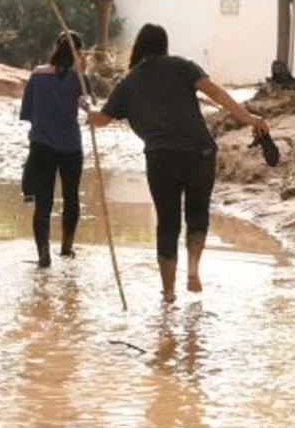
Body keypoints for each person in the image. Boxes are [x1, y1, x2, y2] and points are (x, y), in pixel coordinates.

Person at [87, 23, 269, 304]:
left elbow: (102, 120)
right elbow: (216, 93)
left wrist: (88, 110)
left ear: (139, 46)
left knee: (167, 224)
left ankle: (168, 292)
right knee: (197, 214)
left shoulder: (128, 82)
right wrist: (250, 119)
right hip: (200, 153)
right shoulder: (182, 66)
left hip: (161, 157)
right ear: (164, 44)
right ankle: (193, 270)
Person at [19, 32, 87, 268]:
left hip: (42, 146)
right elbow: (92, 106)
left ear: (55, 48)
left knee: (43, 203)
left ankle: (43, 256)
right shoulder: (79, 78)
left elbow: (27, 113)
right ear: (78, 53)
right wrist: (83, 71)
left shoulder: (37, 75)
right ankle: (67, 250)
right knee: (71, 198)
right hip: (71, 146)